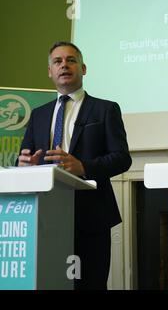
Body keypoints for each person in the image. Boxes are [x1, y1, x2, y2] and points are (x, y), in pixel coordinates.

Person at [17, 42, 132, 289]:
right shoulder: (38, 114)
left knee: (89, 284)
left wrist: (84, 167)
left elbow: (122, 158)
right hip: (45, 218)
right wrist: (25, 165)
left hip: (90, 216)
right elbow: (24, 157)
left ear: (84, 68)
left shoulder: (105, 109)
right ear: (50, 71)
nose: (64, 65)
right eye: (57, 61)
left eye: (71, 60)